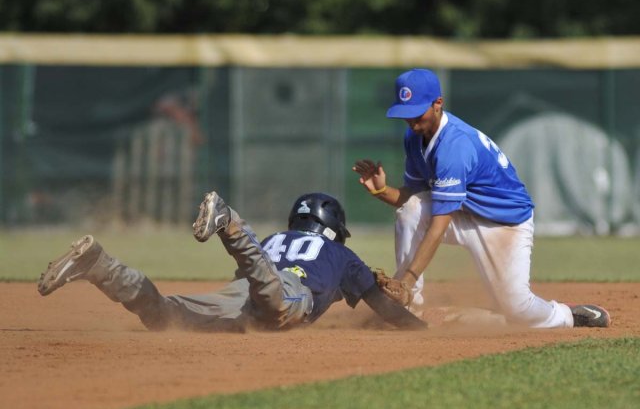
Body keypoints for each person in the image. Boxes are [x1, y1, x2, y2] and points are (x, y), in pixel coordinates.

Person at [352, 68, 610, 328]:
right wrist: (382, 190)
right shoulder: (415, 136)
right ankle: (407, 307)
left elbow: (438, 225)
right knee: (410, 210)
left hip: (503, 223)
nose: (410, 120)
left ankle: (566, 315)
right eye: (405, 112)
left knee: (517, 308)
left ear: (438, 103)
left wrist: (406, 279)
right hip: (464, 212)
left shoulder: (455, 147)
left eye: (416, 111)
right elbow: (413, 199)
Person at [38, 191, 425, 332]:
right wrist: (419, 329)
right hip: (285, 294)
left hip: (243, 294)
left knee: (163, 317)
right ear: (332, 228)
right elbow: (383, 306)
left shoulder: (277, 239)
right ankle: (231, 223)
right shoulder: (341, 253)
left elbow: (254, 279)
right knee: (276, 306)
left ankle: (99, 264)